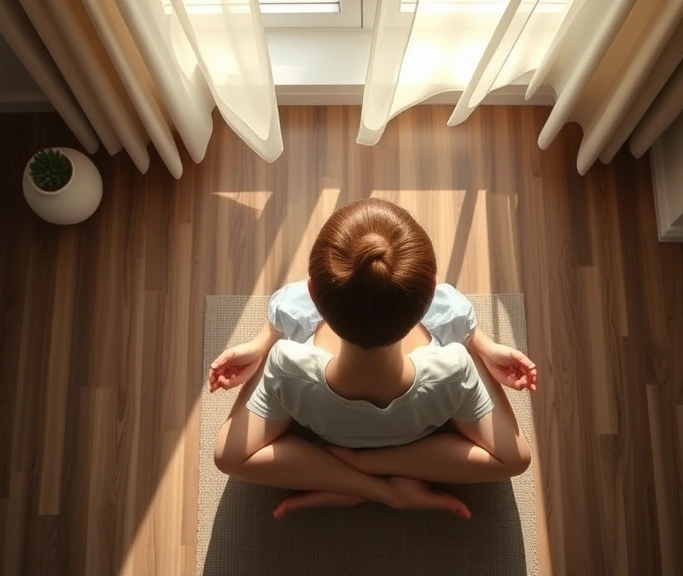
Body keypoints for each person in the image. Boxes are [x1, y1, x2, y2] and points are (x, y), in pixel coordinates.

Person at [209, 199, 536, 519]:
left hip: (330, 435)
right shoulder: (454, 368)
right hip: (415, 431)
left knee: (229, 455)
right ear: (430, 296)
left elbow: (229, 458)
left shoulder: (287, 365)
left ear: (313, 293)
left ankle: (351, 482)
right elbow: (515, 460)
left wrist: (260, 345)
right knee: (513, 458)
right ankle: (384, 479)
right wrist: (484, 348)